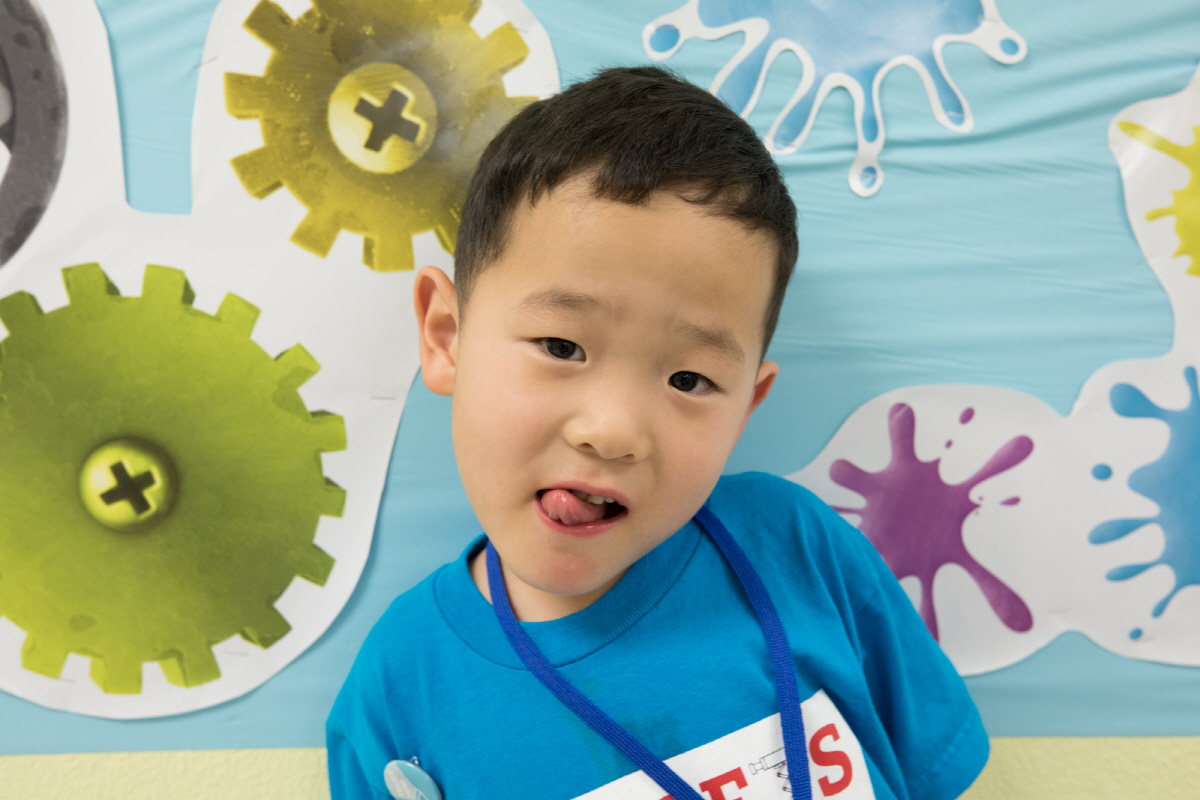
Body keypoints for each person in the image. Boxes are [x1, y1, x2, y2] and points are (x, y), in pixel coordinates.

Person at [326, 66, 988, 800]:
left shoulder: (797, 547)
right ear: (447, 336)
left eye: (690, 381)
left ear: (746, 406)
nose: (613, 432)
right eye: (561, 346)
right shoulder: (400, 687)